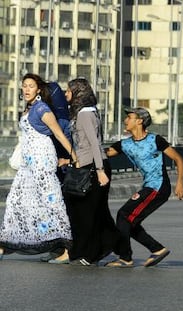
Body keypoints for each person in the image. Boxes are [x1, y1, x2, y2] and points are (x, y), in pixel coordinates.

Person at [0, 73, 76, 260]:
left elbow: (59, 134)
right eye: (24, 85)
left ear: (39, 89)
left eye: (31, 86)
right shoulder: (29, 108)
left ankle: (66, 247)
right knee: (15, 201)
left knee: (50, 201)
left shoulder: (42, 109)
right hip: (28, 162)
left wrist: (74, 156)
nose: (26, 89)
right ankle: (6, 243)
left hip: (42, 159)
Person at [105, 107, 183, 268]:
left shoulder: (155, 140)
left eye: (129, 117)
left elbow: (178, 159)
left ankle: (125, 258)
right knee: (129, 222)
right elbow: (104, 153)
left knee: (124, 215)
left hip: (158, 186)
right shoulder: (125, 144)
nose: (125, 120)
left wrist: (180, 183)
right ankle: (157, 249)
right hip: (149, 186)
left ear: (139, 121)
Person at [53, 78, 120, 266]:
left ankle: (91, 253)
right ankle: (102, 248)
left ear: (78, 93)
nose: (66, 94)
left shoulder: (85, 114)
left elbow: (95, 144)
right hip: (85, 164)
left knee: (86, 213)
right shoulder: (85, 112)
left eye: (69, 90)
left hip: (92, 168)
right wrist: (70, 160)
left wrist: (100, 170)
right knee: (90, 212)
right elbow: (84, 145)